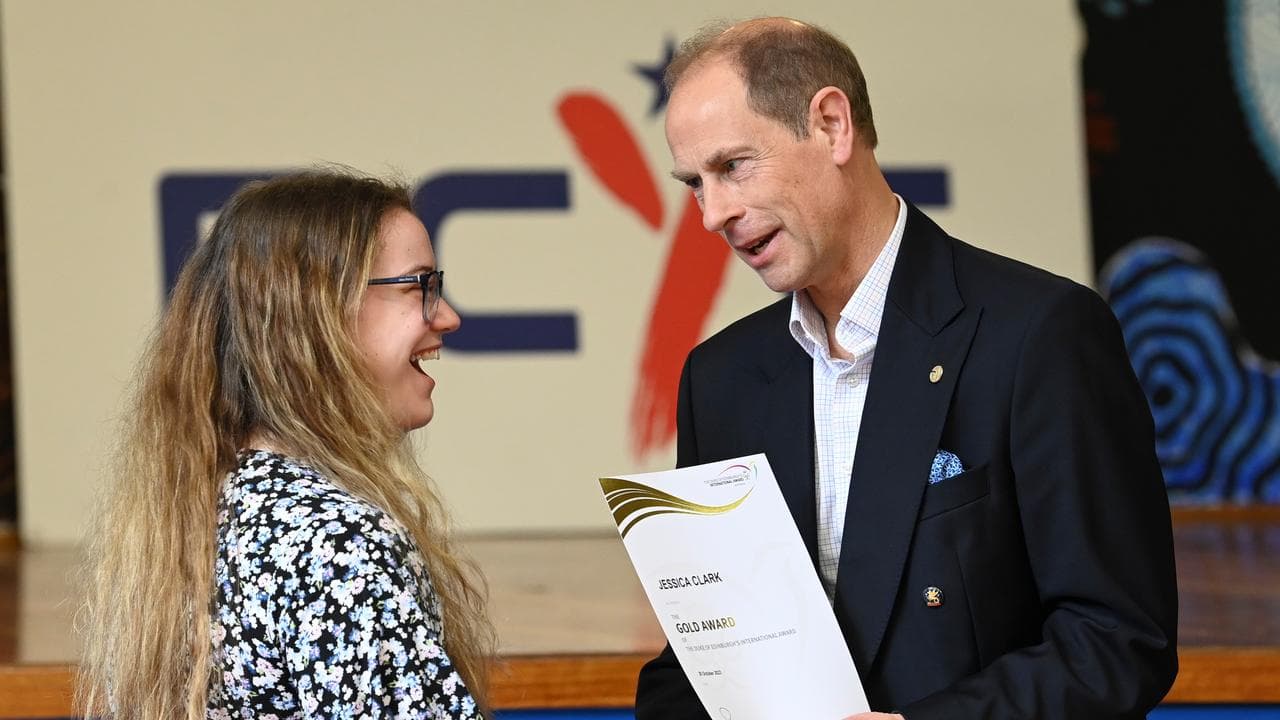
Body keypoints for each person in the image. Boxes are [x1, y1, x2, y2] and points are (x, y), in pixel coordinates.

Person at [636, 17, 1178, 720]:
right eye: (695, 184)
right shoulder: (720, 379)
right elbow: (705, 658)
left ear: (832, 125)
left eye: (734, 166)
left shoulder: (1039, 335)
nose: (713, 214)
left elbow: (1116, 640)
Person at [78, 170, 494, 719]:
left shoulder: (201, 509)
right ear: (316, 309)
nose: (446, 315)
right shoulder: (338, 546)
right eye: (418, 285)